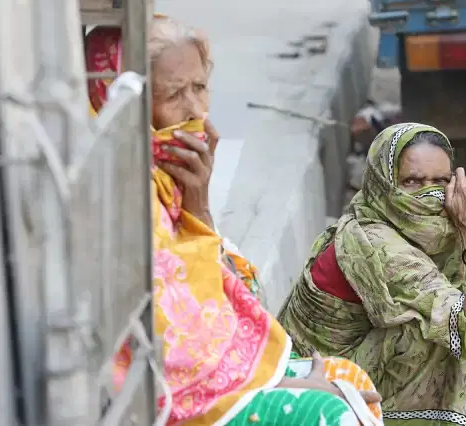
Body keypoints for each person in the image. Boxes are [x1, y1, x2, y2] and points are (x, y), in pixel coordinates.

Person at [85, 14, 384, 426]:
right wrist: (286, 389)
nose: (195, 109)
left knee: (350, 380)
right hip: (175, 402)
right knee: (335, 414)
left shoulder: (170, 187)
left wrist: (199, 208)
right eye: (174, 95)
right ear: (125, 103)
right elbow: (176, 358)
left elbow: (242, 295)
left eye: (200, 88)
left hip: (217, 385)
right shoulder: (122, 192)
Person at [277, 123, 466, 425]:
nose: (429, 194)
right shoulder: (373, 242)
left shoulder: (437, 231)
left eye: (440, 181)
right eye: (412, 181)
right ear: (384, 183)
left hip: (358, 365)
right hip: (317, 382)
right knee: (443, 331)